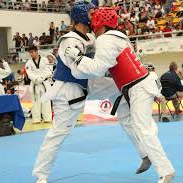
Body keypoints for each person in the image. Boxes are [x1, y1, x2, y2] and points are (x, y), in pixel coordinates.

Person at [65, 7, 175, 183]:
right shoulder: (117, 37)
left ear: (100, 23)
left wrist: (79, 58)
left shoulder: (106, 40)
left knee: (144, 128)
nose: (91, 24)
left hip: (139, 87)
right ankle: (146, 154)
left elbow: (98, 69)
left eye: (94, 21)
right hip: (131, 87)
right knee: (125, 117)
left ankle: (166, 171)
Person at [32, 2, 96, 183]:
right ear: (81, 16)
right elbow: (79, 69)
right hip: (67, 90)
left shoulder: (90, 37)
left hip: (87, 84)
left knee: (122, 93)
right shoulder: (69, 40)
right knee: (58, 134)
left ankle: (144, 151)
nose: (94, 16)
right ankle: (41, 175)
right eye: (91, 13)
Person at [25, 45, 52, 124]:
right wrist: (36, 79)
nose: (31, 54)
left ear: (37, 51)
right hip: (35, 83)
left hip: (45, 83)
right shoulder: (28, 63)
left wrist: (42, 78)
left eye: (32, 52)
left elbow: (48, 70)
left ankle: (47, 118)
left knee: (46, 101)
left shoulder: (45, 60)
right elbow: (29, 73)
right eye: (29, 52)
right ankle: (36, 119)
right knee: (35, 102)